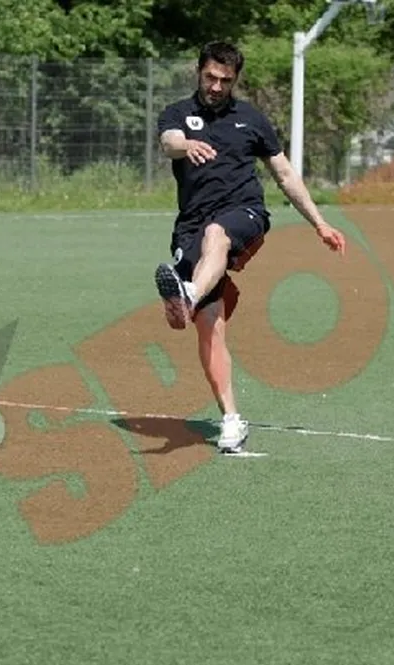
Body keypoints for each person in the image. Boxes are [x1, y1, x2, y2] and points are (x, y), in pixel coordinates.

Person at [153, 40, 347, 454]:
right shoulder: (177, 114)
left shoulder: (251, 119)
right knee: (209, 326)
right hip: (190, 226)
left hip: (244, 214)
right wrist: (186, 146)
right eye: (210, 77)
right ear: (199, 72)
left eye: (225, 80)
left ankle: (188, 294)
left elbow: (285, 175)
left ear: (235, 80)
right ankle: (231, 421)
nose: (216, 87)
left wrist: (320, 223)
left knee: (217, 234)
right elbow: (168, 142)